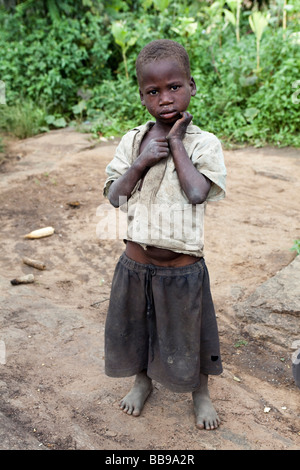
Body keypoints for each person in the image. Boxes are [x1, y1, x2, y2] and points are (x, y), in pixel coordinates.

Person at [103, 39, 226, 430]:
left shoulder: (204, 144)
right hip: (136, 263)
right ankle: (143, 381)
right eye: (153, 91)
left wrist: (175, 143)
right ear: (142, 97)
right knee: (138, 327)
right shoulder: (133, 141)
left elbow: (196, 192)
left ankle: (200, 393)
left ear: (192, 85)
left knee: (190, 332)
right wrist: (141, 160)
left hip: (183, 268)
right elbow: (114, 197)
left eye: (174, 87)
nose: (165, 98)